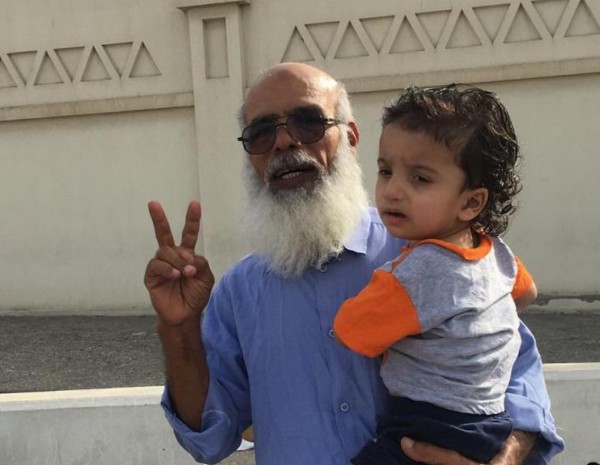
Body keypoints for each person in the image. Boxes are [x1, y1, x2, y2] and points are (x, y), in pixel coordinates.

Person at [143, 62, 564, 465]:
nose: (284, 142)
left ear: (350, 137)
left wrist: (506, 456)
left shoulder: (434, 251)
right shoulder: (239, 293)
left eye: (307, 122)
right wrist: (178, 328)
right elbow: (210, 438)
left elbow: (517, 371)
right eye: (261, 132)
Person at [334, 85, 539, 465]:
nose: (392, 190)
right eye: (385, 171)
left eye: (420, 179)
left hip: (429, 425)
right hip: (490, 424)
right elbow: (526, 294)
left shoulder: (417, 272)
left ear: (471, 202)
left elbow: (351, 332)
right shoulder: (495, 252)